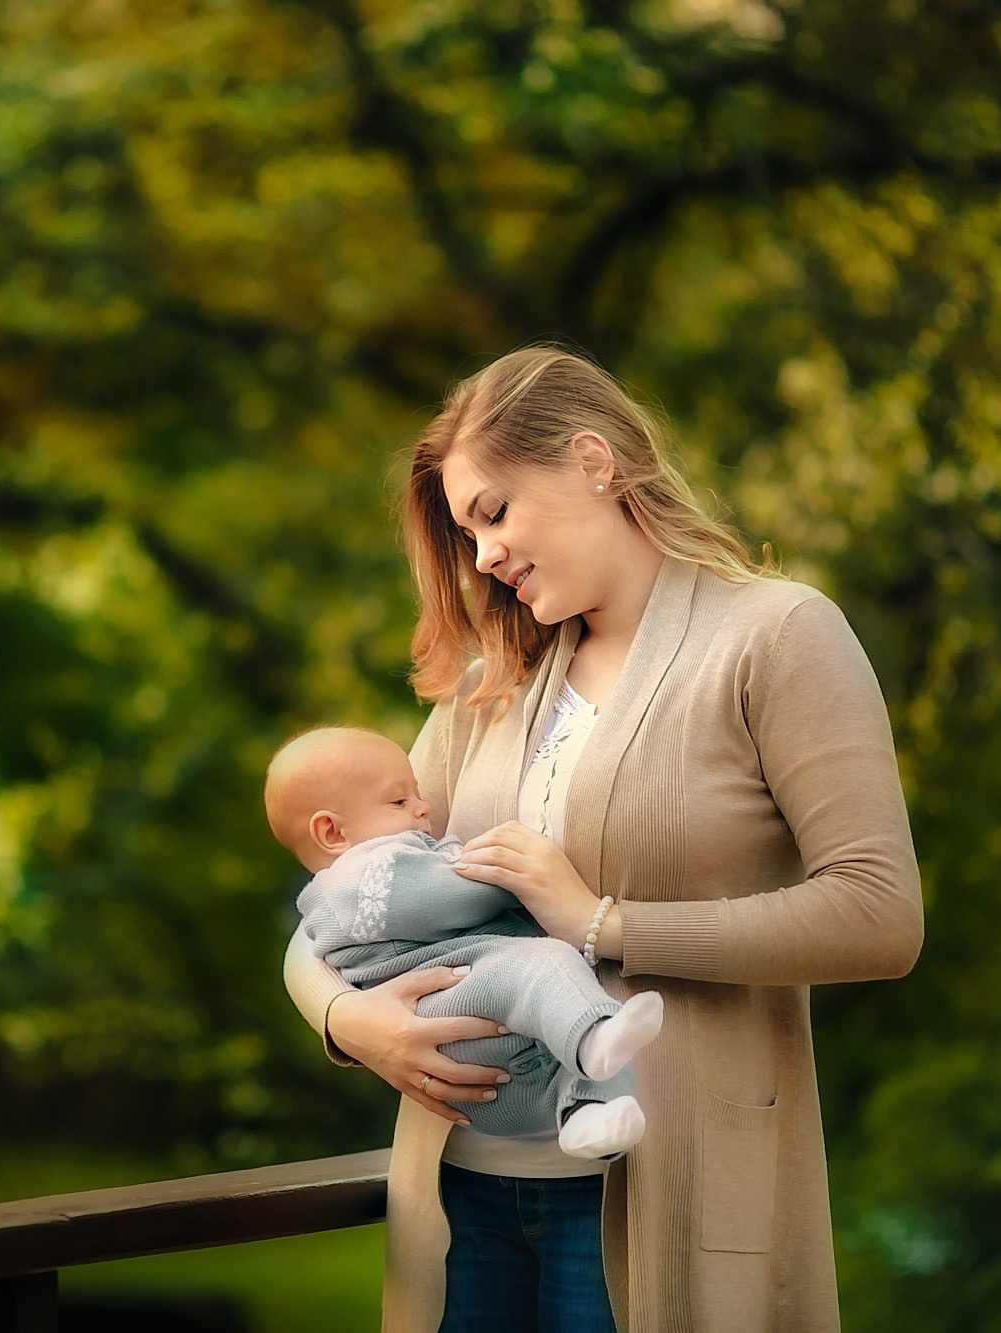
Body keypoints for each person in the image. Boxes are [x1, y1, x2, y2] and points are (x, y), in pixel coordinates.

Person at [283, 346, 923, 1332]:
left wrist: (603, 923)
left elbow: (878, 915)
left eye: (492, 513)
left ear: (592, 460)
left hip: (660, 1181)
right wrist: (346, 1022)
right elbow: (346, 886)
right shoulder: (487, 683)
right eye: (466, 533)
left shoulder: (773, 636)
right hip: (461, 1192)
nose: (482, 556)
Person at [267, 726, 665, 1159]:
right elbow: (440, 898)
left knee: (569, 1050)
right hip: (448, 1001)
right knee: (542, 963)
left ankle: (589, 1119)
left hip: (486, 1075)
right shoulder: (362, 874)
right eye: (400, 801)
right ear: (332, 832)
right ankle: (592, 1034)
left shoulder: (369, 872)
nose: (424, 807)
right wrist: (523, 877)